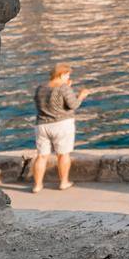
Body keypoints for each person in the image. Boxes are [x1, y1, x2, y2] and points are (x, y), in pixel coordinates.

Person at [32, 63, 89, 193]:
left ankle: (37, 185)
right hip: (61, 124)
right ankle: (63, 182)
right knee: (63, 155)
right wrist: (81, 95)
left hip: (42, 125)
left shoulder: (40, 88)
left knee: (41, 156)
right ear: (62, 74)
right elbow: (73, 105)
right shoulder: (63, 88)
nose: (68, 77)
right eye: (68, 74)